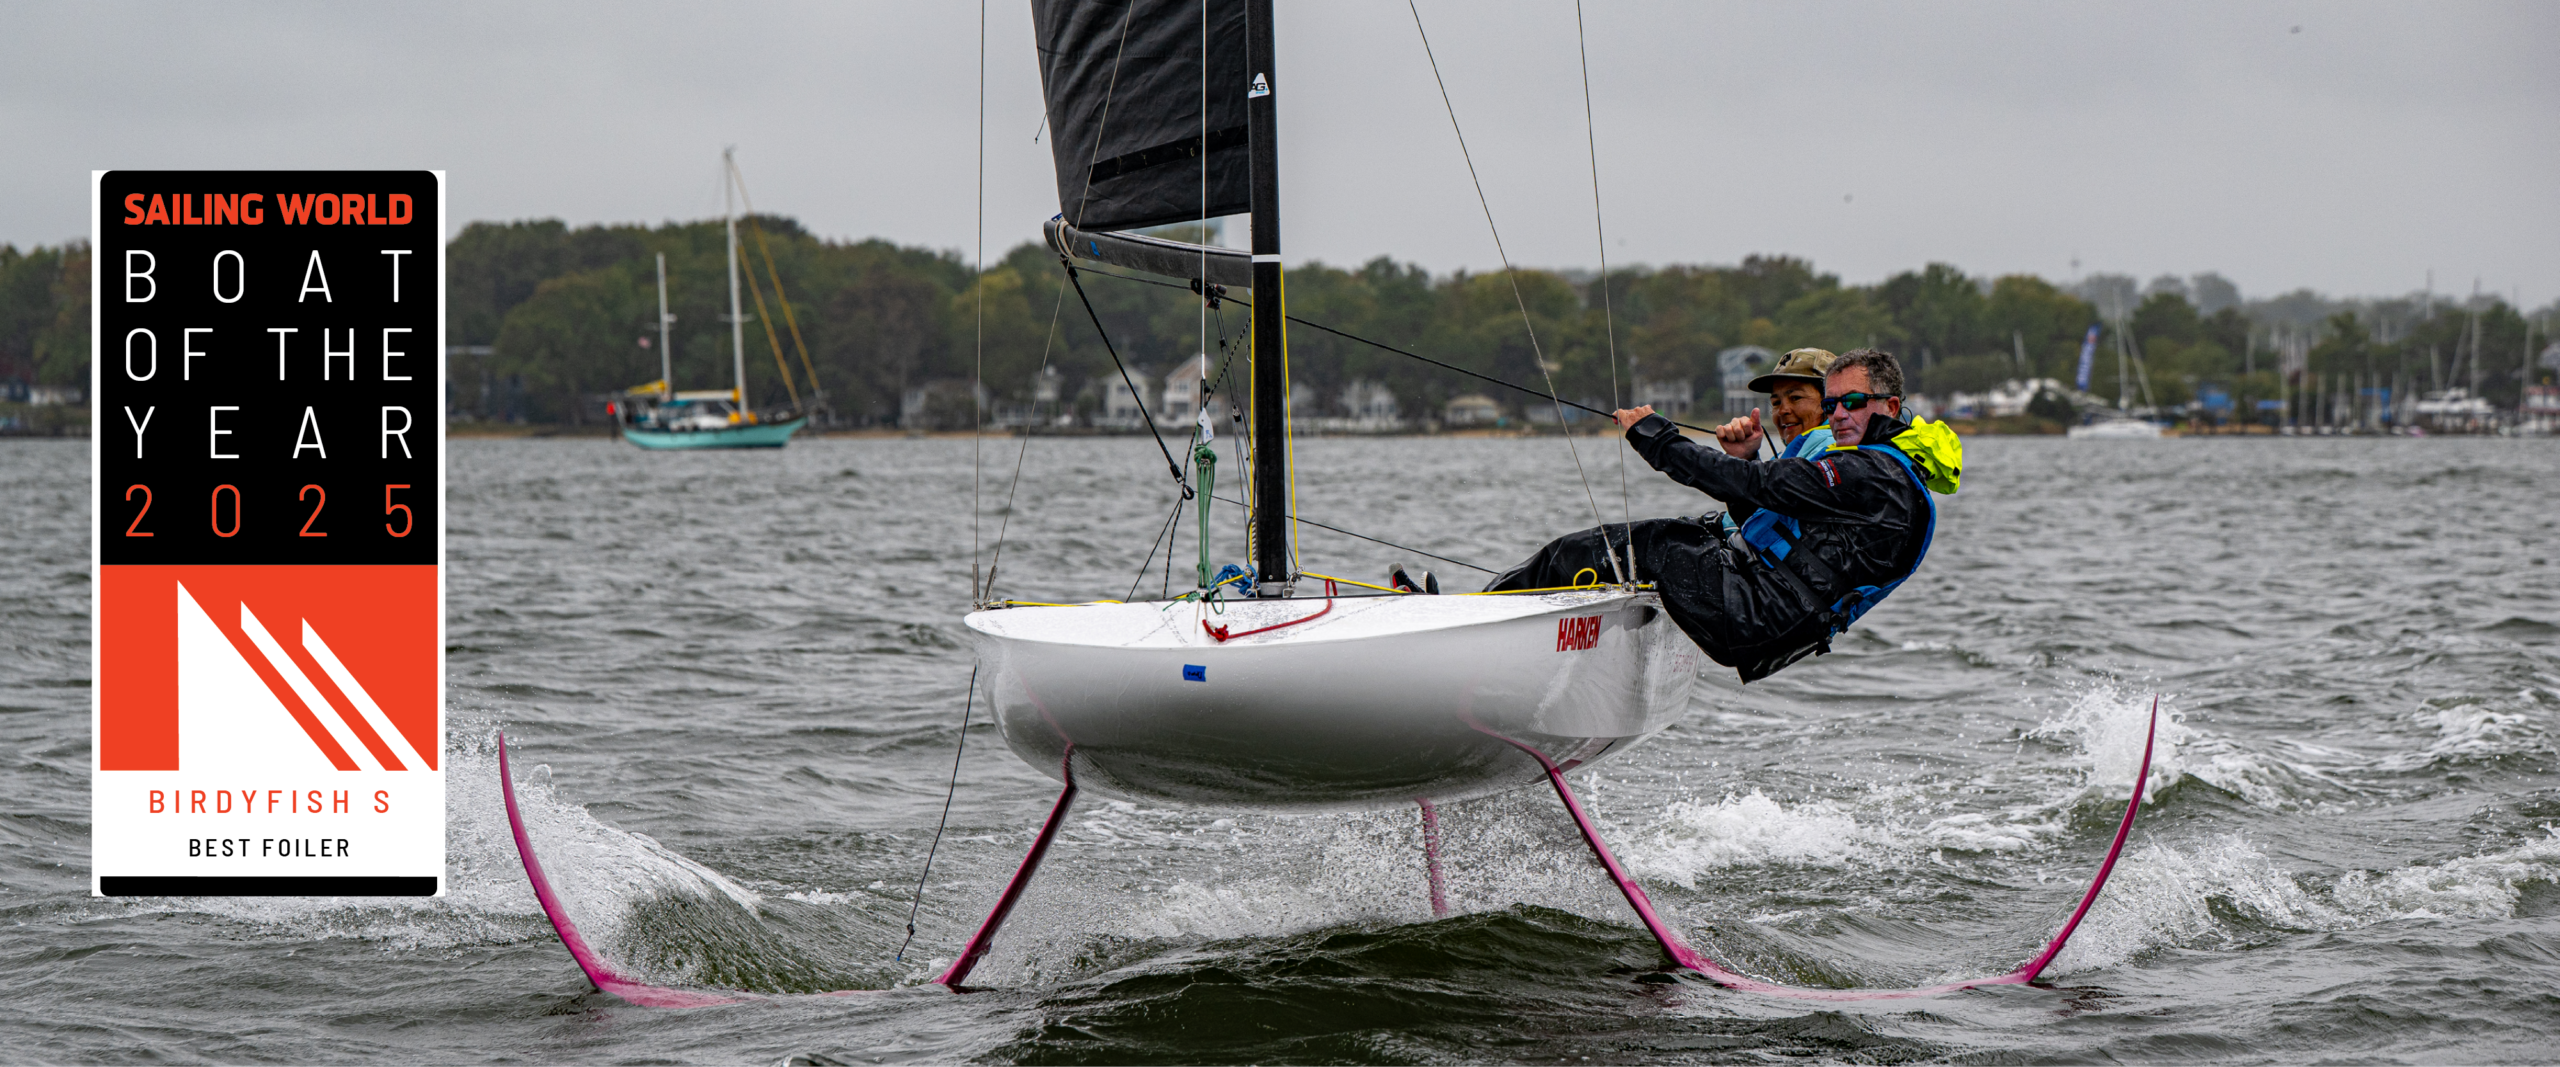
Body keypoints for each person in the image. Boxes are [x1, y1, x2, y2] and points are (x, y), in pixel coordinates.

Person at [1484, 349, 1963, 682]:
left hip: (1759, 618)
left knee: (1636, 547)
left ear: (1890, 407)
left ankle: (1481, 632)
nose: (1838, 415)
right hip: (1769, 614)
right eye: (1833, 404)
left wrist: (1654, 437)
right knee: (1669, 535)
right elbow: (1776, 527)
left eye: (1852, 403)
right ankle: (1502, 624)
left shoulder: (1872, 474)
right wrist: (1747, 461)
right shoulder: (1883, 467)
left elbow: (1751, 484)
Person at [1714, 348, 1835, 460]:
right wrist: (1746, 457)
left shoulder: (1832, 451)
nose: (1782, 410)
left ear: (1830, 401)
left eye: (1796, 398)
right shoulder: (1798, 454)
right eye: (1776, 402)